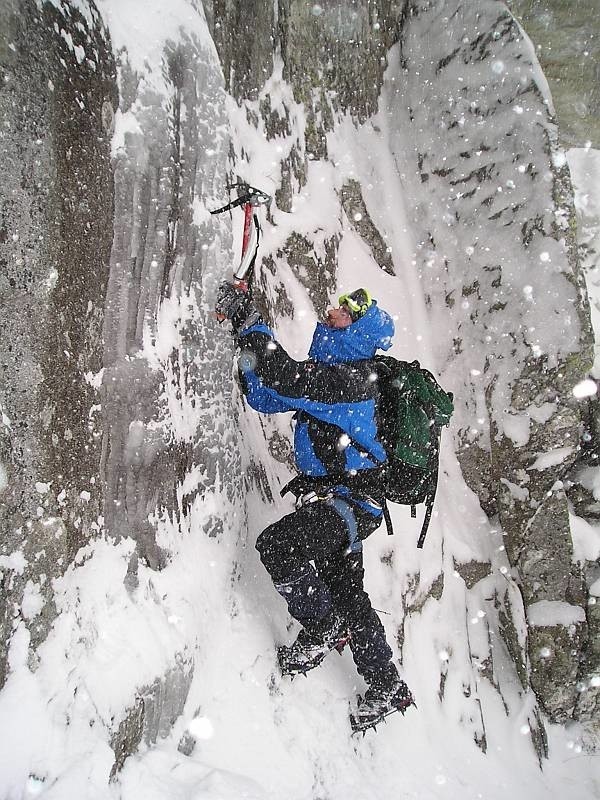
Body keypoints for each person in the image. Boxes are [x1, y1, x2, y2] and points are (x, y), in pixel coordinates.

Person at [215, 282, 414, 730]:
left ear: (358, 327)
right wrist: (247, 350)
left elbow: (287, 378)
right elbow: (267, 395)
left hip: (350, 503)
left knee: (280, 547)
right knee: (348, 594)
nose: (333, 310)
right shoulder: (331, 377)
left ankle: (322, 629)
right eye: (336, 304)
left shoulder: (352, 381)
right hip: (343, 502)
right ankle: (386, 686)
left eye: (345, 310)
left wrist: (251, 325)